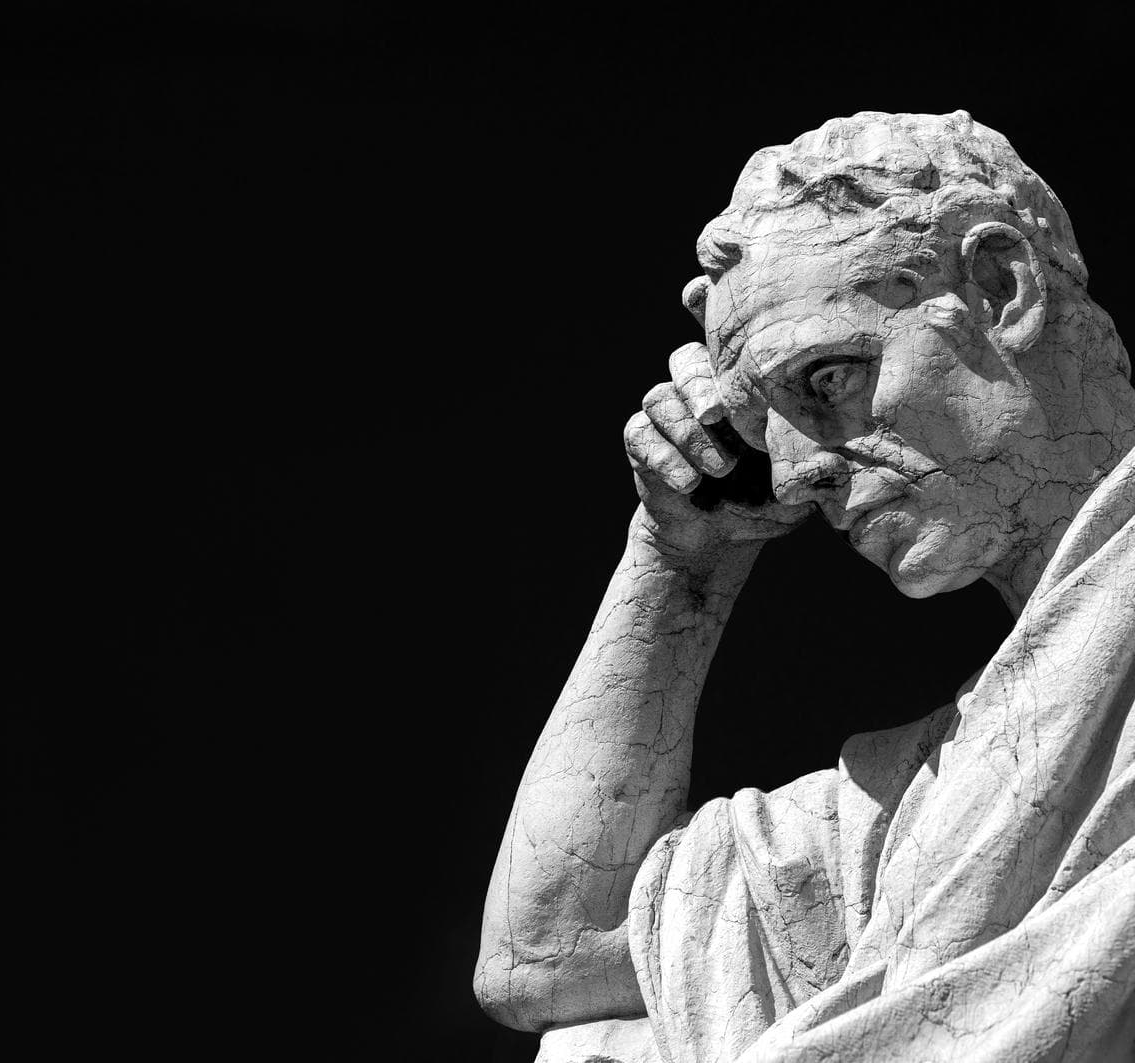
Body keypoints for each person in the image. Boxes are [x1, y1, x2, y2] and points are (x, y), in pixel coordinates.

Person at [475, 111, 1135, 1063]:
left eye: (828, 375)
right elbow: (543, 956)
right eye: (762, 424)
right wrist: (677, 554)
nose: (791, 475)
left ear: (1000, 289)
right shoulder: (926, 806)